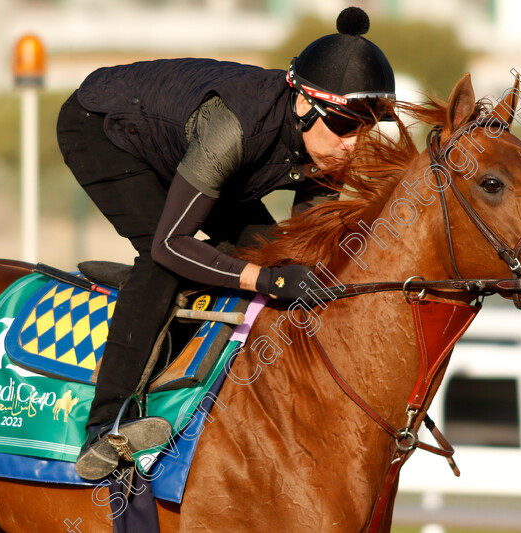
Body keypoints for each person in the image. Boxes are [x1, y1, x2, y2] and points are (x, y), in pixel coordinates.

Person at [56, 6, 396, 480]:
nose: (354, 145)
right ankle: (106, 424)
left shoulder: (326, 143)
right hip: (104, 127)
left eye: (366, 127)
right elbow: (171, 245)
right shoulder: (236, 128)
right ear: (303, 105)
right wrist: (265, 279)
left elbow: (299, 250)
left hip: (197, 153)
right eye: (343, 126)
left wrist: (288, 271)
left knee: (270, 249)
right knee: (164, 263)